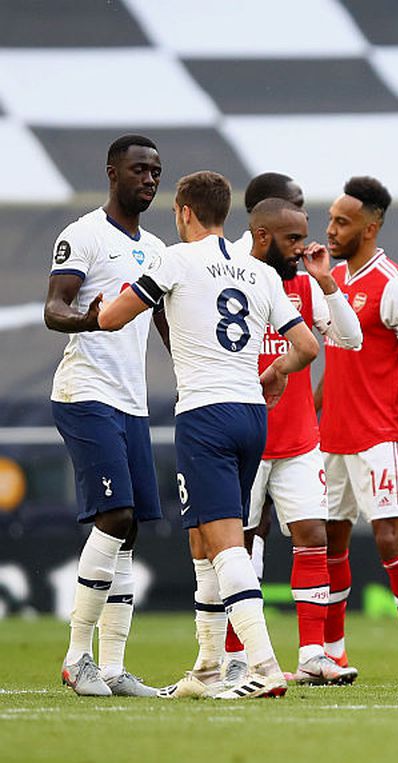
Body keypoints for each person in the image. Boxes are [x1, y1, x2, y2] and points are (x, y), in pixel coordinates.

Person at [99, 171, 319, 699]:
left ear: (183, 211)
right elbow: (308, 347)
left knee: (225, 544)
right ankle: (207, 668)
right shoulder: (258, 271)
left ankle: (263, 668)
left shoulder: (174, 259)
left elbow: (111, 319)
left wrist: (98, 305)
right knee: (202, 539)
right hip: (250, 415)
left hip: (205, 415)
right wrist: (273, 374)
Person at [46, 134, 169, 697]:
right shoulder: (84, 235)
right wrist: (89, 321)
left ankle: (114, 668)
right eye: (139, 170)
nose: (149, 179)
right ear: (112, 172)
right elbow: (55, 309)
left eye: (156, 172)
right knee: (115, 516)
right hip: (86, 392)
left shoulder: (158, 251)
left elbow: (170, 329)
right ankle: (77, 658)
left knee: (131, 532)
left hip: (132, 401)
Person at [230, 189, 364, 686]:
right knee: (239, 546)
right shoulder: (233, 279)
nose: (300, 249)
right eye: (293, 239)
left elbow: (351, 339)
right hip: (244, 436)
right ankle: (237, 658)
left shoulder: (304, 287)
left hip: (299, 438)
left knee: (313, 537)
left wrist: (327, 281)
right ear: (262, 235)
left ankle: (312, 655)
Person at [317, 176, 398, 682]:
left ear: (371, 225)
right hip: (333, 436)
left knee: (389, 538)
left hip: (382, 435)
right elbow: (336, 363)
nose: (331, 230)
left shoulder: (393, 285)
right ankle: (334, 649)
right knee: (329, 541)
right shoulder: (332, 282)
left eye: (342, 222)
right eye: (331, 220)